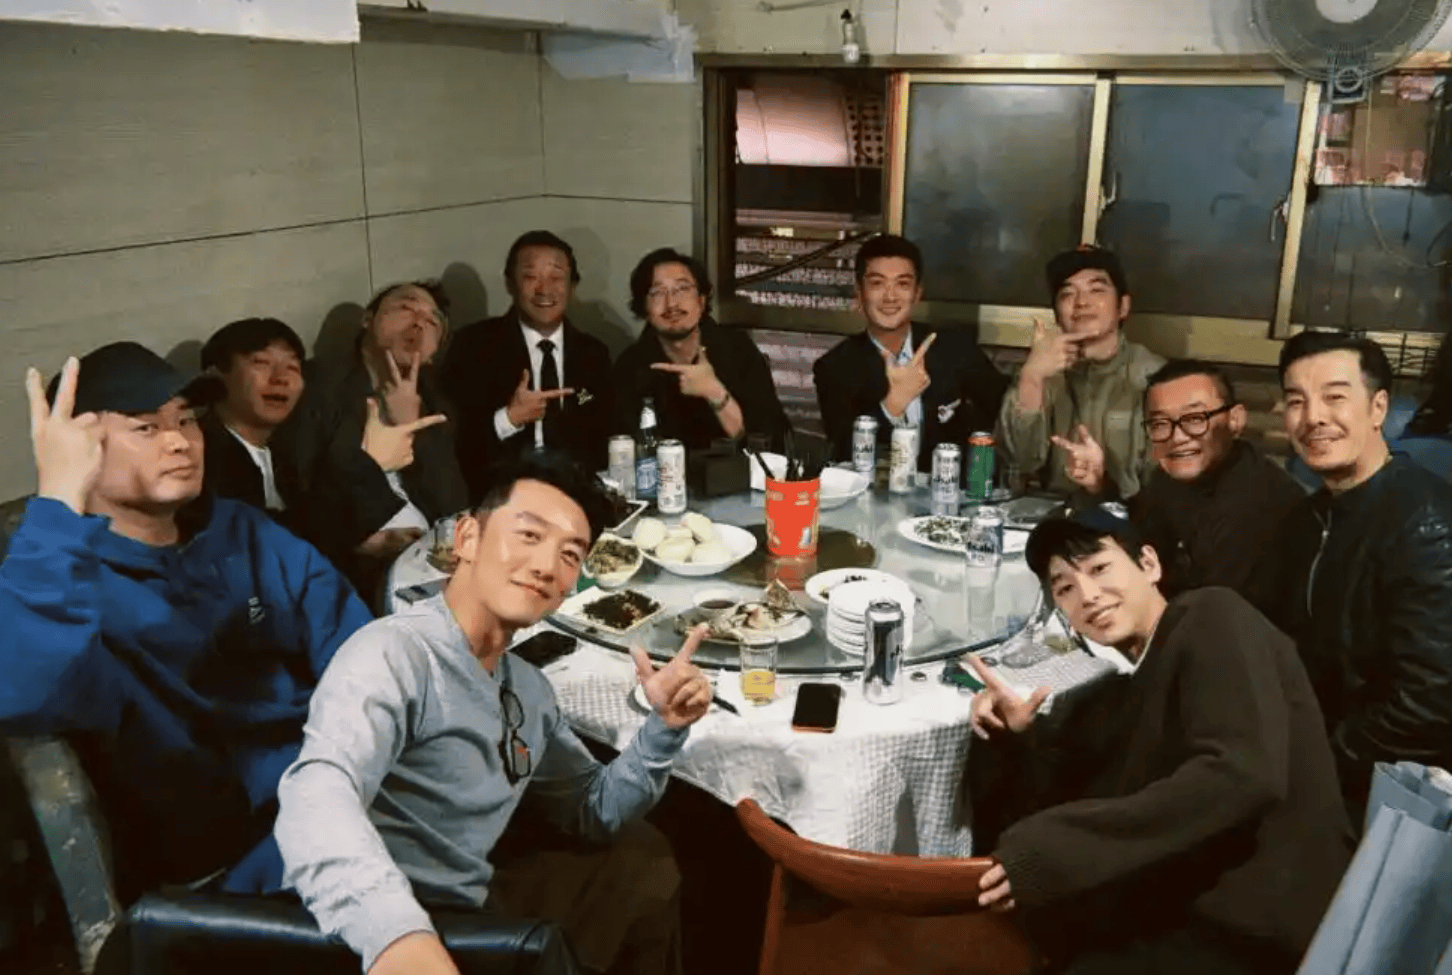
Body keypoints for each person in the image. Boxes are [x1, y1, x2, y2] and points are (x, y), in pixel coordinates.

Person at [275, 452, 712, 975]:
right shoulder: (394, 654)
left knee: (643, 859)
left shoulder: (528, 690)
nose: (546, 566)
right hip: (374, 931)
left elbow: (594, 810)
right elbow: (316, 794)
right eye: (529, 535)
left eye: (569, 555)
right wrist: (400, 941)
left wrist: (664, 727)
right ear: (467, 538)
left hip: (472, 909)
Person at [0, 343, 371, 901]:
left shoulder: (240, 531)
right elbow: (18, 692)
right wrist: (57, 498)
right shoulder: (59, 578)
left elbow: (355, 647)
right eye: (146, 427)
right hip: (233, 866)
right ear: (81, 450)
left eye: (187, 420)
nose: (179, 441)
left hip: (338, 789)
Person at [966, 507, 1350, 975]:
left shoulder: (1214, 615)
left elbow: (1243, 773)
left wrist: (1059, 847)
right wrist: (1013, 734)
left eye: (1099, 568)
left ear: (1149, 564)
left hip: (1255, 931)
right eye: (1064, 588)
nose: (1088, 595)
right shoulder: (1131, 683)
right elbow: (1075, 783)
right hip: (1195, 914)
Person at [1278, 330, 1452, 816]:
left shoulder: (1426, 524)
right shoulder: (1309, 517)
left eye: (1335, 397)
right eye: (1296, 401)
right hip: (1322, 755)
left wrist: (1318, 764)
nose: (1313, 417)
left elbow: (1429, 703)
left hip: (1386, 794)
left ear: (1378, 409)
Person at [284, 281, 469, 599]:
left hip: (430, 558)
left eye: (432, 321)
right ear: (368, 320)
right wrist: (359, 542)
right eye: (406, 307)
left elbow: (452, 503)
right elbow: (298, 499)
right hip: (349, 567)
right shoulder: (315, 388)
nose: (419, 323)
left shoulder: (438, 402)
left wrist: (411, 427)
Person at [1124, 359, 1305, 619]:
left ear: (1235, 420)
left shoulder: (1255, 506)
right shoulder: (1172, 476)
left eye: (1195, 418)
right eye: (1160, 424)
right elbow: (1137, 533)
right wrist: (1098, 485)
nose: (1177, 437)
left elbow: (1217, 621)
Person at [813, 234, 1007, 470]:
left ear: (917, 294)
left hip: (950, 489)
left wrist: (1031, 377)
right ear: (859, 293)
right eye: (877, 283)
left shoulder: (955, 348)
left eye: (902, 284)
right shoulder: (834, 367)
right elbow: (843, 451)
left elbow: (1003, 412)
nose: (890, 296)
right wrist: (893, 404)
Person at [443, 231, 615, 494]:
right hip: (501, 495)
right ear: (510, 284)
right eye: (530, 277)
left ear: (572, 287)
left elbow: (608, 436)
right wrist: (509, 419)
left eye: (556, 278)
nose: (544, 289)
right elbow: (452, 442)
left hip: (578, 495)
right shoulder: (473, 346)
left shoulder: (593, 353)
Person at [996, 246, 1164, 498]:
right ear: (1056, 314)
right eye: (1067, 293)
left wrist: (1102, 485)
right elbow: (1016, 464)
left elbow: (1166, 484)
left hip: (1129, 514)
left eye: (1097, 290)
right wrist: (1031, 378)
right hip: (1045, 512)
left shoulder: (1155, 377)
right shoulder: (1042, 368)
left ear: (1123, 306)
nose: (1082, 302)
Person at [613, 248, 789, 451]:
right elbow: (622, 448)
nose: (672, 303)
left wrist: (714, 392)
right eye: (657, 292)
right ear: (644, 307)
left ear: (702, 300)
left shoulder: (738, 349)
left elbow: (774, 442)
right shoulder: (630, 366)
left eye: (682, 289)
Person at [199, 317, 307, 525]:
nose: (280, 378)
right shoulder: (198, 456)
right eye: (261, 362)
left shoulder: (296, 451)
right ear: (215, 377)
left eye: (292, 367)